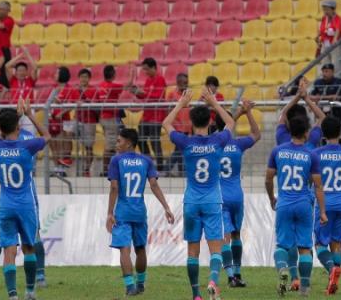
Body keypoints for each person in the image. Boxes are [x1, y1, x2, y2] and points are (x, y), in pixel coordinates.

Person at [163, 86, 236, 300]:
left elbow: (165, 124)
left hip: (192, 202)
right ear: (210, 122)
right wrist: (214, 103)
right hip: (213, 201)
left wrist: (181, 104)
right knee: (216, 248)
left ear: (192, 123)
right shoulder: (217, 141)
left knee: (192, 252)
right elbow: (231, 123)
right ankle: (213, 281)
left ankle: (196, 294)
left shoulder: (186, 142)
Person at [266, 106, 328, 297]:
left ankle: (284, 270)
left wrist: (271, 198)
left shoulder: (277, 151)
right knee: (305, 248)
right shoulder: (311, 155)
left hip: (284, 202)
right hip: (303, 204)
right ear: (307, 133)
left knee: (282, 246)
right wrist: (323, 212)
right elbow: (318, 186)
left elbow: (268, 179)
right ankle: (305, 289)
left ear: (290, 131)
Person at [0, 100, 50, 300]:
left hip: (5, 205)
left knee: (9, 250)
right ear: (18, 126)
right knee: (28, 247)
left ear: (0, 127)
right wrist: (29, 114)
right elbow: (47, 136)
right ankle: (31, 291)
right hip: (25, 204)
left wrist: (7, 121)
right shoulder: (28, 146)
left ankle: (12, 295)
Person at [106, 127, 175, 297]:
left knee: (124, 249)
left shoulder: (116, 161)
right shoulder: (146, 161)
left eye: (119, 141)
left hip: (122, 212)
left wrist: (109, 213)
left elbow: (114, 187)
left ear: (129, 143)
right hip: (139, 212)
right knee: (140, 249)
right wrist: (166, 207)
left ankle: (130, 287)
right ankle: (141, 283)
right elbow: (154, 184)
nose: (117, 144)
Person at [218, 100, 261, 288]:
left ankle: (230, 277)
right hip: (237, 196)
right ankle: (237, 273)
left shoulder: (212, 145)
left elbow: (225, 126)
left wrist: (236, 116)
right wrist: (247, 112)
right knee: (236, 235)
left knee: (225, 238)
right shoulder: (237, 145)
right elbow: (257, 134)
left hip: (220, 197)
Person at [313, 115, 341, 295]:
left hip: (325, 204)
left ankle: (332, 270)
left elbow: (312, 178)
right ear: (340, 132)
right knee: (336, 244)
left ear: (322, 133)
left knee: (320, 245)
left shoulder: (316, 154)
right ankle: (333, 283)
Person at [134, 57, 168, 169]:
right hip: (147, 115)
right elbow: (146, 97)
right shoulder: (148, 80)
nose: (145, 72)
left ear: (154, 67)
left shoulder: (161, 79)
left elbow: (158, 97)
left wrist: (144, 93)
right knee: (140, 139)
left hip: (156, 116)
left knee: (154, 141)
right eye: (144, 70)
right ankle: (148, 161)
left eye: (147, 69)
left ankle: (160, 167)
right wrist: (137, 93)